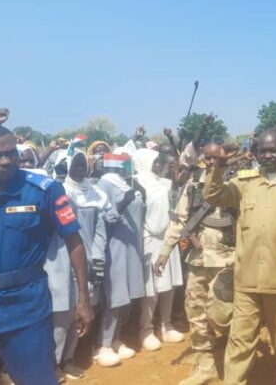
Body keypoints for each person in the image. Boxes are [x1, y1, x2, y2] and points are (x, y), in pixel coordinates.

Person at [204, 130, 276, 385]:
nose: (267, 156)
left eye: (273, 150)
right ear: (256, 153)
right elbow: (213, 196)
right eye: (262, 151)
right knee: (240, 341)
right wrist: (220, 166)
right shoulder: (244, 182)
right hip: (246, 279)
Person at [0, 123, 93, 385]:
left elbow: (74, 242)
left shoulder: (44, 190)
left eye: (10, 153)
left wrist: (83, 298)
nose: (5, 161)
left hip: (25, 310)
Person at [156, 143, 236, 385]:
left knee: (221, 314)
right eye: (208, 158)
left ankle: (232, 360)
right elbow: (180, 219)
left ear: (224, 156)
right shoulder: (193, 183)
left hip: (227, 259)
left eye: (216, 157)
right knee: (195, 312)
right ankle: (205, 365)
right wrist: (165, 252)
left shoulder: (235, 181)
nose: (211, 162)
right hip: (198, 259)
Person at [44, 152, 108, 377]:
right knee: (61, 319)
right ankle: (53, 364)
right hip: (60, 266)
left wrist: (97, 261)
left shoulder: (95, 196)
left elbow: (99, 233)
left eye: (83, 165)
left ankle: (69, 359)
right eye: (75, 165)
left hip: (85, 265)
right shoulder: (55, 194)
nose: (79, 169)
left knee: (80, 314)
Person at [96, 152, 146, 364]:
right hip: (115, 248)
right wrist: (122, 204)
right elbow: (104, 219)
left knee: (126, 298)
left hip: (132, 249)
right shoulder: (104, 185)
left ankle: (116, 338)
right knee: (115, 298)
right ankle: (102, 345)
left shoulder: (127, 184)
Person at [132, 148, 184, 352]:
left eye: (158, 162)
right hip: (151, 239)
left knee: (169, 285)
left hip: (167, 237)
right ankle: (146, 329)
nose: (158, 165)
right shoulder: (137, 183)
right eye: (154, 162)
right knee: (152, 288)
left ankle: (166, 324)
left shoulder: (161, 182)